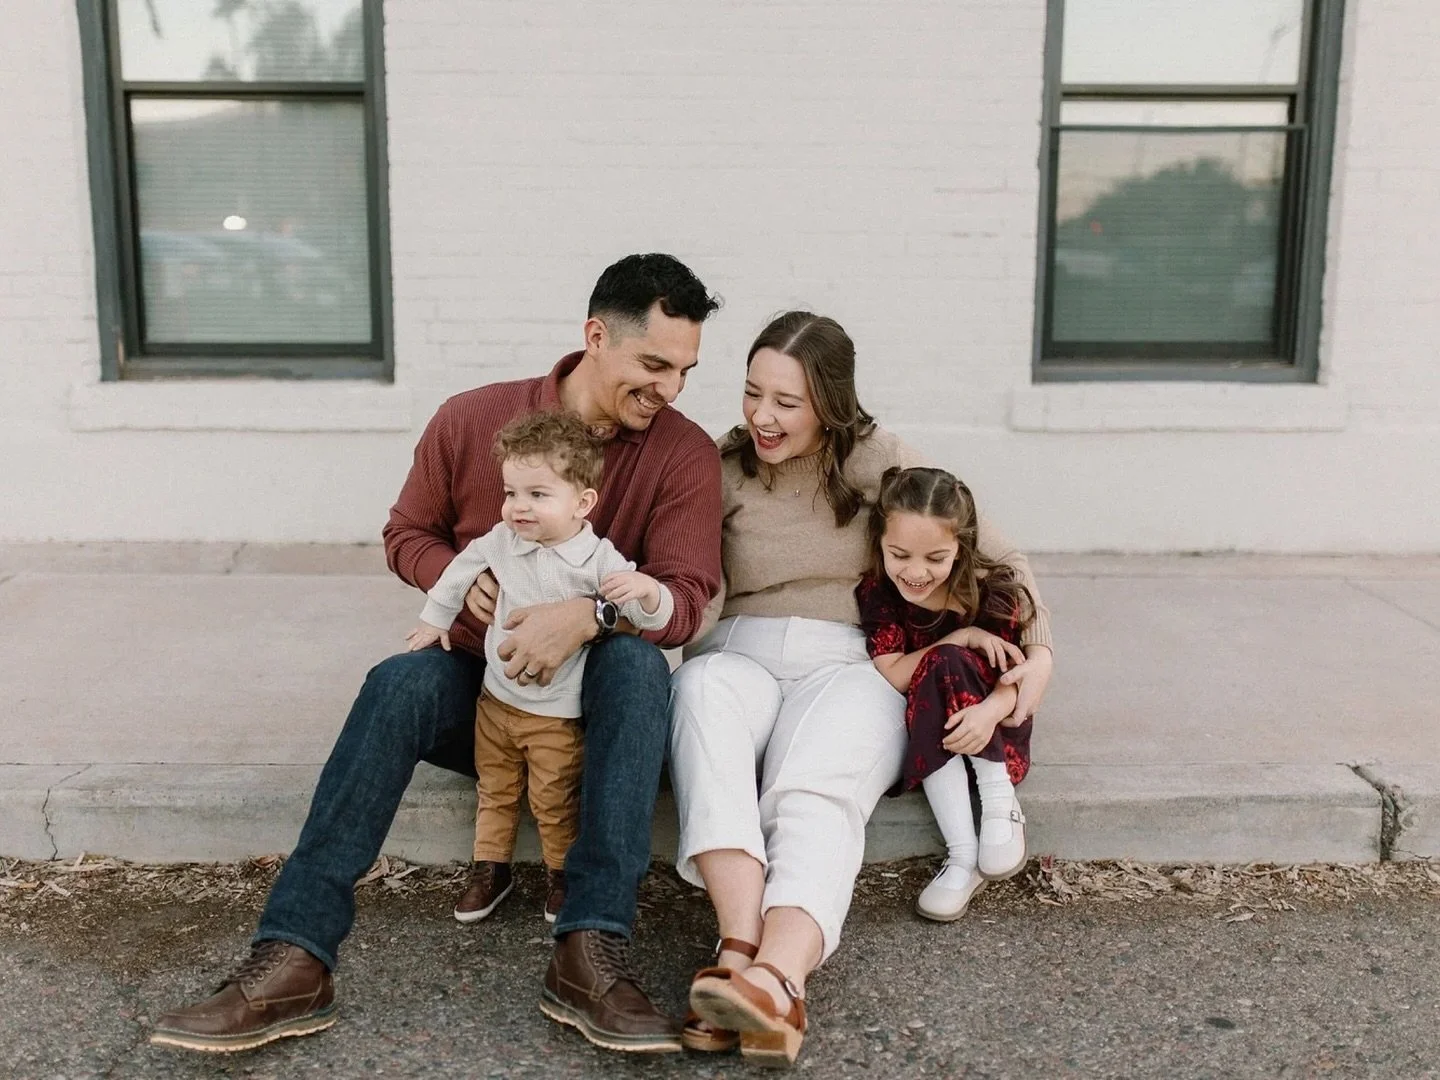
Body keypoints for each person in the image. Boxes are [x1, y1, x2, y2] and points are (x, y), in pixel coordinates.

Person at [149, 254, 722, 1056]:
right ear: (596, 337)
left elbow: (687, 597)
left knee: (633, 664)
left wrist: (588, 616)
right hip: (489, 694)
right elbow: (405, 535)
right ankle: (294, 956)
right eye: (655, 365)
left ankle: (589, 954)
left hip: (601, 710)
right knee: (397, 683)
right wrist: (463, 584)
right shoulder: (471, 420)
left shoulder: (683, 452)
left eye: (686, 370)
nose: (672, 389)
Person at [670, 311, 1054, 1067]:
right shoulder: (723, 464)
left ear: (831, 402)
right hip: (736, 649)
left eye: (788, 401)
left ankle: (774, 979)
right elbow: (689, 581)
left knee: (814, 787)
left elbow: (996, 554)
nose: (762, 416)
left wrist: (1035, 658)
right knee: (701, 702)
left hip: (853, 658)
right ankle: (739, 948)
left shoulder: (881, 459)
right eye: (753, 394)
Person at [405, 410, 675, 926]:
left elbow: (647, 614)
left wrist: (650, 592)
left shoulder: (598, 559)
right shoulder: (503, 543)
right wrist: (435, 619)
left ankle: (560, 874)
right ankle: (490, 868)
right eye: (511, 493)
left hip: (554, 714)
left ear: (583, 502)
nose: (518, 507)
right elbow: (459, 570)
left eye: (537, 495)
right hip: (496, 703)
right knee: (497, 791)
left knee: (552, 800)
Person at [855, 465, 1038, 923]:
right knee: (940, 664)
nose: (916, 572)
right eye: (900, 554)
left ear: (961, 546)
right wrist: (961, 637)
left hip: (996, 730)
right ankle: (962, 855)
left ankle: (1000, 808)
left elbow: (1016, 680)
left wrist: (985, 715)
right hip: (931, 734)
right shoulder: (879, 592)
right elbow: (896, 674)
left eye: (935, 558)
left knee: (949, 665)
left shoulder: (992, 590)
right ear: (880, 542)